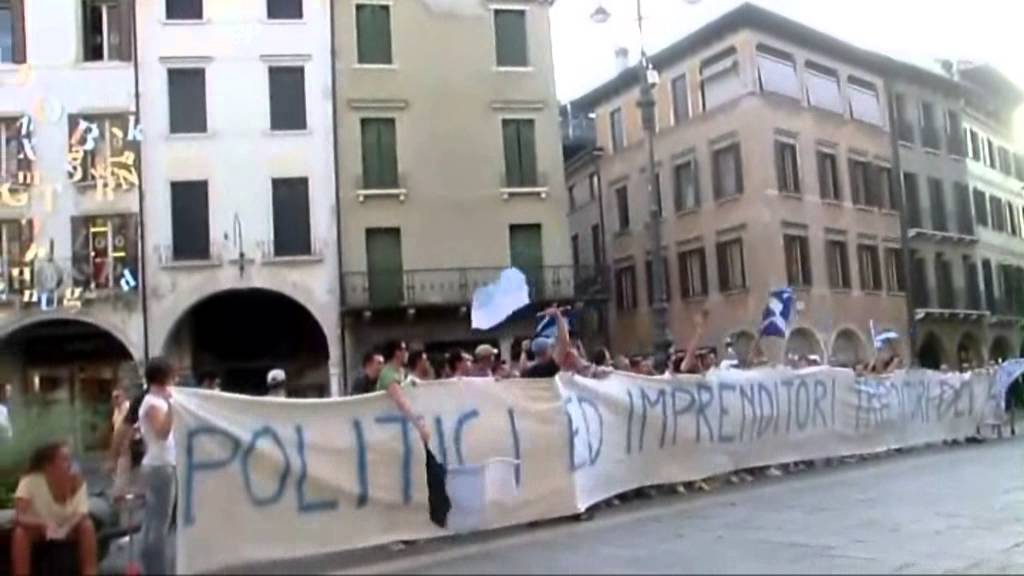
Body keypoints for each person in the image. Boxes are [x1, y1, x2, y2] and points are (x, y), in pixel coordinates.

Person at [12, 442, 97, 576]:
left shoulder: (77, 481)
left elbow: (81, 512)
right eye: (64, 459)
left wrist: (66, 527)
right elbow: (20, 515)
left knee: (87, 526)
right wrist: (43, 524)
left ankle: (90, 572)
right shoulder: (30, 481)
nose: (70, 464)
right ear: (48, 466)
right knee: (20, 533)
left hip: (67, 526)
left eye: (70, 459)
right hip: (40, 529)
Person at [139, 358, 177, 576]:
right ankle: (157, 569)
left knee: (154, 520)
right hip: (160, 465)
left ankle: (152, 565)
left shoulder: (154, 401)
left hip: (159, 464)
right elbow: (162, 433)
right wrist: (172, 406)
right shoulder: (153, 403)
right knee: (159, 523)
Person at [107, 389, 133, 497]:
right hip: (119, 444)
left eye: (118, 397)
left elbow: (130, 427)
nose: (115, 400)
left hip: (126, 445)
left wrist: (126, 442)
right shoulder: (116, 411)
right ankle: (122, 490)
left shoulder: (127, 408)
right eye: (113, 397)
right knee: (120, 469)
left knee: (123, 468)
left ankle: (121, 492)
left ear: (124, 396)